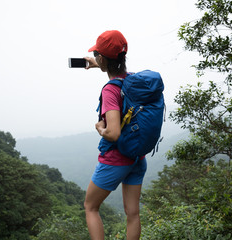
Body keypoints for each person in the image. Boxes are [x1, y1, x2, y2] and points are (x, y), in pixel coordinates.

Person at [83, 30, 147, 240]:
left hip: (115, 160)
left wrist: (100, 129)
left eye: (98, 55)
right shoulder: (133, 80)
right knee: (133, 213)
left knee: (90, 206)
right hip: (137, 157)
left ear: (103, 58)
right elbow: (116, 72)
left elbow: (113, 133)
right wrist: (98, 64)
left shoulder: (110, 90)